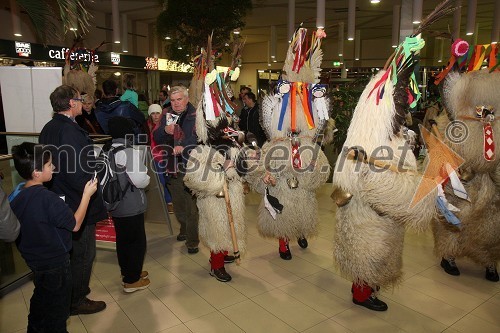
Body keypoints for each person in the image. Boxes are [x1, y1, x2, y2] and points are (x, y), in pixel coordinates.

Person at [10, 142, 97, 333]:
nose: (54, 168)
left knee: (41, 298)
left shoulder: (16, 194)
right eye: (50, 165)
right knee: (58, 311)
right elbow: (74, 225)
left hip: (35, 260)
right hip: (55, 262)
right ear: (36, 172)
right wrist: (86, 196)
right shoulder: (47, 199)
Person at [39, 85, 107, 315]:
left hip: (59, 196)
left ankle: (68, 295)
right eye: (79, 99)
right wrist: (92, 187)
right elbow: (75, 172)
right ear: (71, 103)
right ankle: (76, 299)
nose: (82, 103)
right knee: (83, 253)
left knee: (70, 251)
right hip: (77, 200)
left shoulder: (49, 127)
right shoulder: (69, 131)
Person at [106, 117, 151, 292]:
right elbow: (140, 180)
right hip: (131, 204)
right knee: (136, 241)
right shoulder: (129, 151)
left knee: (123, 241)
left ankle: (130, 271)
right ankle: (132, 280)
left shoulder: (108, 149)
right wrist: (146, 177)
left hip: (115, 203)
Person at [153, 85, 199, 254]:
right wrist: (165, 130)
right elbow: (157, 138)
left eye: (179, 99)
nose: (176, 103)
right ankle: (184, 228)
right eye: (173, 100)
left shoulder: (195, 114)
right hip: (172, 165)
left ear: (186, 99)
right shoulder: (167, 115)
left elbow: (200, 138)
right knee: (178, 204)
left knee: (191, 206)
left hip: (192, 164)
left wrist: (184, 147)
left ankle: (193, 240)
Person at [147, 104, 174, 214]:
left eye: (157, 113)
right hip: (154, 157)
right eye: (152, 113)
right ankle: (168, 202)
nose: (155, 116)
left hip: (166, 156)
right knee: (161, 181)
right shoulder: (147, 125)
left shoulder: (166, 124)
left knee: (168, 181)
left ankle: (170, 201)